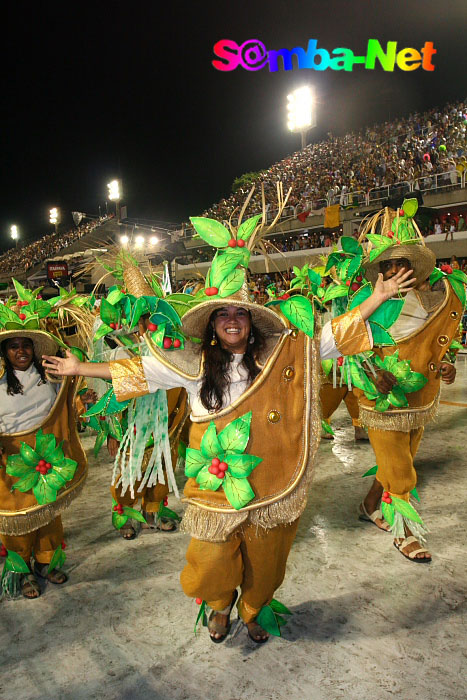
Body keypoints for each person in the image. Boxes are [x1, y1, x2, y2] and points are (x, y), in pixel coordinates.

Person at [43, 218, 414, 643]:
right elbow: (136, 372)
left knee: (268, 560)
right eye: (224, 314)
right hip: (215, 485)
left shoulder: (280, 352)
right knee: (211, 558)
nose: (233, 320)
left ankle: (253, 609)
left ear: (252, 321)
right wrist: (77, 367)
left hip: (272, 482)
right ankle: (219, 604)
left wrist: (377, 298)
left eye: (241, 313)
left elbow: (328, 338)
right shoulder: (192, 362)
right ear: (212, 324)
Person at [354, 206, 464, 562]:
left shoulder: (430, 301)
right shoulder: (364, 300)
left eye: (403, 263)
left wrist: (447, 365)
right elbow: (347, 346)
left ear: (415, 267)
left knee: (401, 457)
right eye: (389, 264)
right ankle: (404, 533)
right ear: (381, 270)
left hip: (420, 395)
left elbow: (438, 345)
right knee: (400, 468)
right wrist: (373, 372)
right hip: (380, 399)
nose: (396, 270)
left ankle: (370, 502)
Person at [0, 330, 87, 599]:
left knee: (49, 512)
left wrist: (82, 402)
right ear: (5, 352)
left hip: (47, 461)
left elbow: (65, 408)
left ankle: (47, 561)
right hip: (12, 462)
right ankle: (22, 570)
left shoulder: (49, 378)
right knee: (20, 518)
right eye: (14, 346)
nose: (21, 351)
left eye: (26, 345)